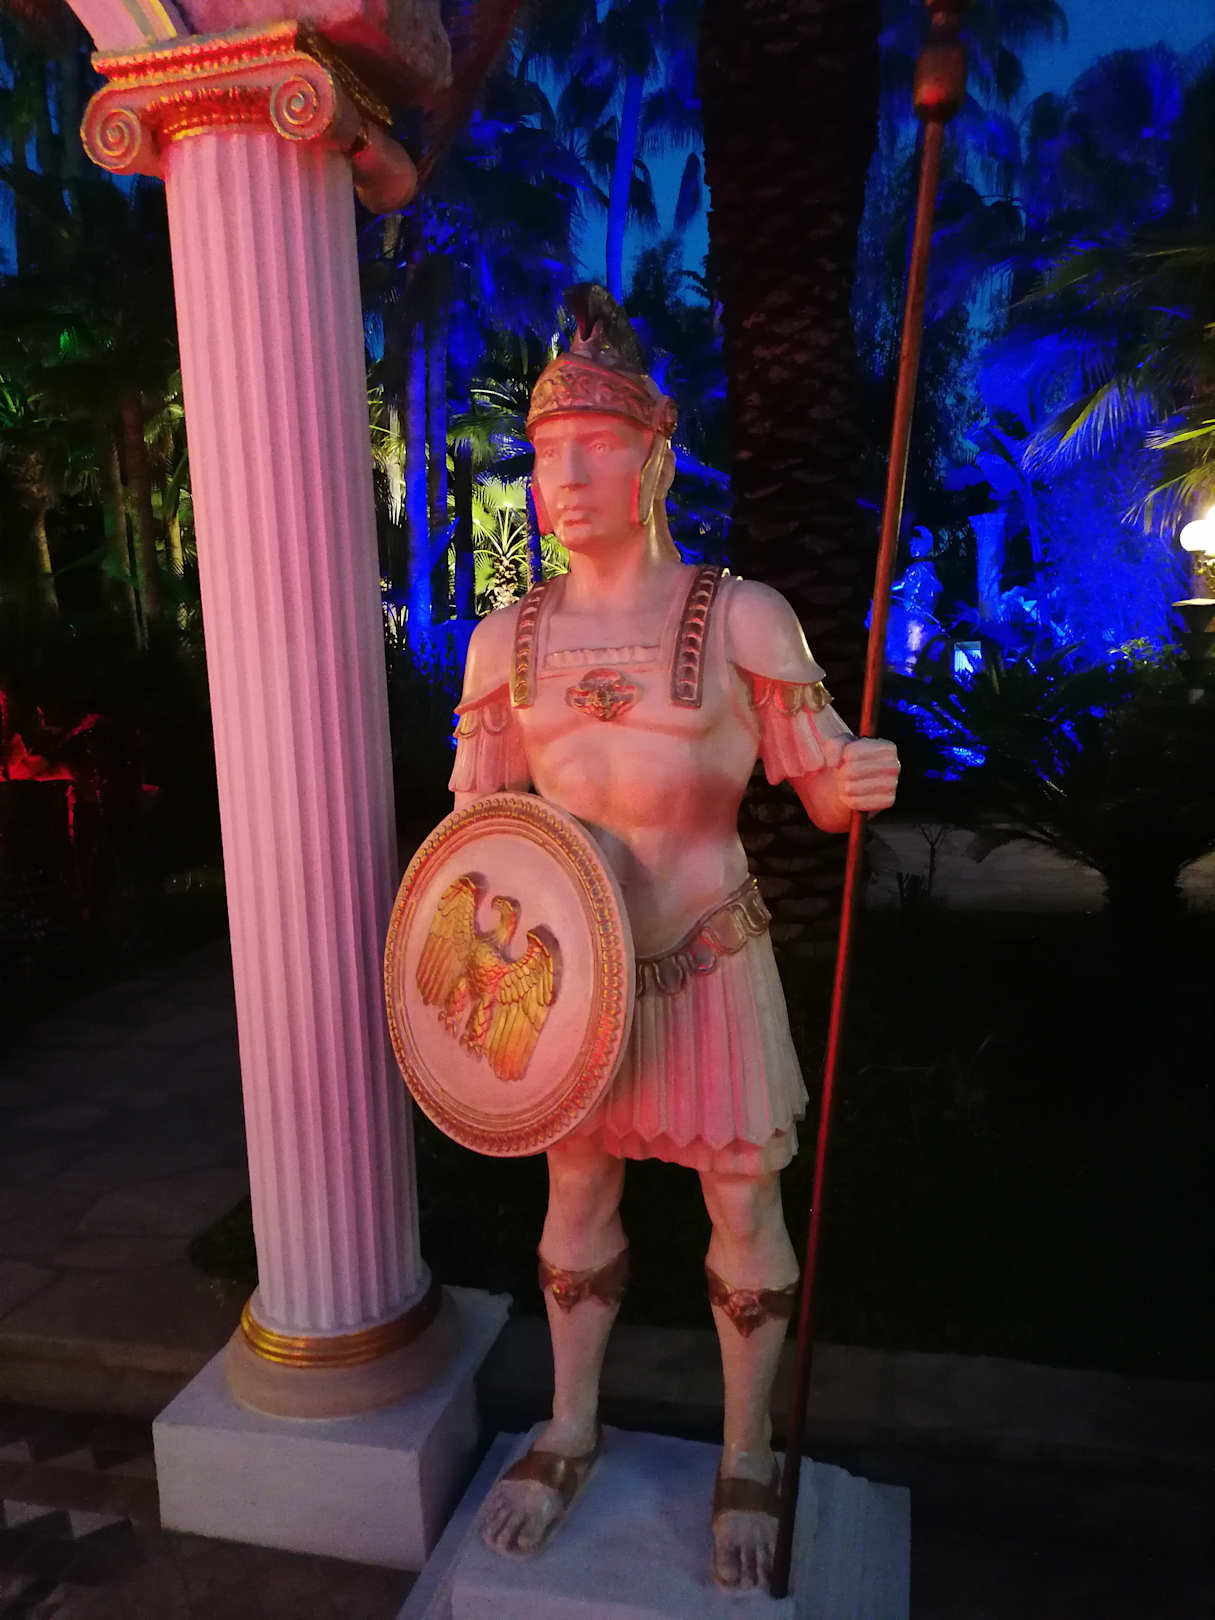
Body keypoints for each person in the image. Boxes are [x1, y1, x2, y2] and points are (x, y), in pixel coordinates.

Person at [448, 287, 899, 1592]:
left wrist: (855, 775)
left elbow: (821, 789)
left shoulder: (744, 617)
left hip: (707, 956)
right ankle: (570, 1427)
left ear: (656, 453)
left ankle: (748, 1453)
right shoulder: (505, 644)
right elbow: (477, 839)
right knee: (575, 1194)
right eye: (547, 453)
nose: (566, 478)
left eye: (595, 447)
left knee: (742, 1200)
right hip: (570, 985)